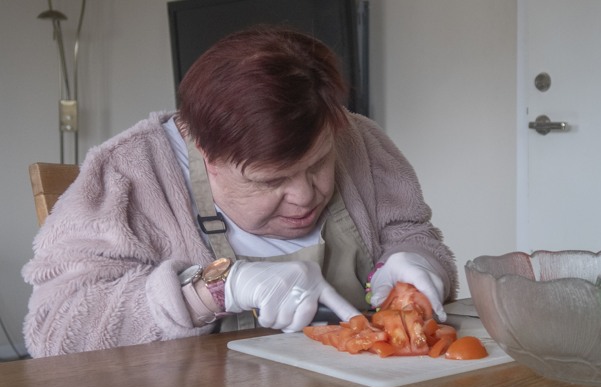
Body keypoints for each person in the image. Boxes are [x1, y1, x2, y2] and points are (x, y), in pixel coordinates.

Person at [22, 26, 457, 357]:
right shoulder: (126, 176)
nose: (305, 196)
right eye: (271, 181)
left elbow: (411, 233)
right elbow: (54, 330)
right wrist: (212, 291)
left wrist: (418, 266)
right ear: (206, 155)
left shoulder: (359, 138)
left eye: (319, 164)